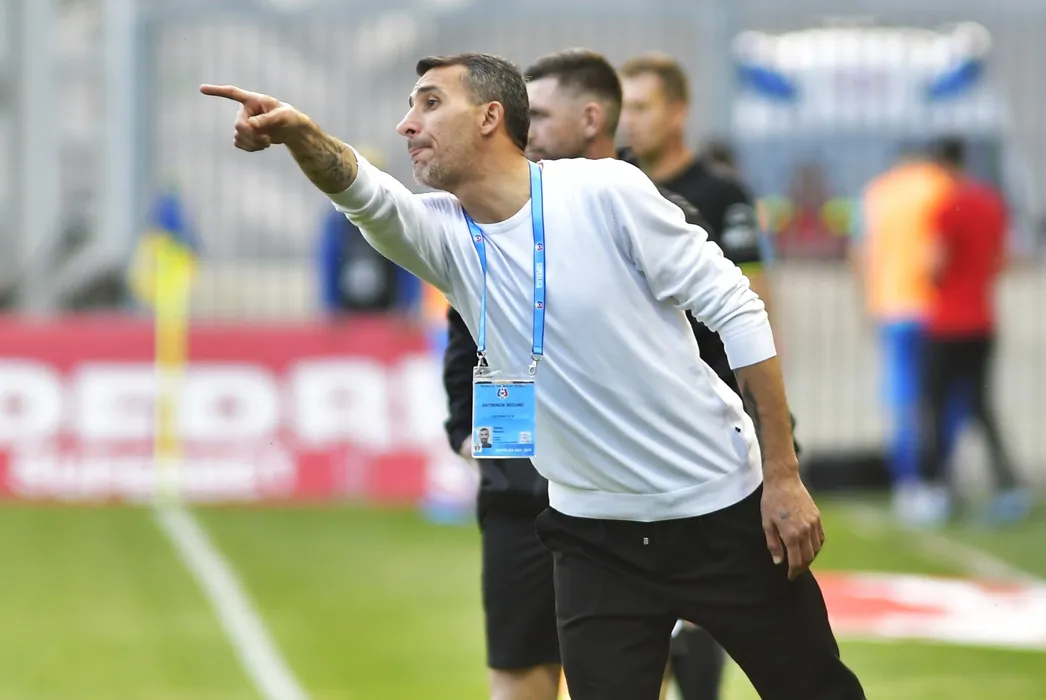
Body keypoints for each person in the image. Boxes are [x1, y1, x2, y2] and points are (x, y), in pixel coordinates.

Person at [201, 51, 865, 700]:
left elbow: (740, 309)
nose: (407, 124)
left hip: (719, 510)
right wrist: (298, 133)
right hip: (594, 538)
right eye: (409, 107)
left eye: (430, 103)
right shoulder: (440, 235)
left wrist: (783, 474)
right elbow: (360, 188)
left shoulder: (605, 191)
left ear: (490, 117)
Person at [443, 49, 789, 700]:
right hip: (521, 489)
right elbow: (467, 336)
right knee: (518, 672)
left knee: (656, 670)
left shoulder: (651, 207)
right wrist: (469, 433)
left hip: (649, 498)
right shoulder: (487, 214)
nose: (524, 130)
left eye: (539, 116)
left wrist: (772, 456)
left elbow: (722, 342)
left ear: (590, 119)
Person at [618, 53, 780, 361]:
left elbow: (753, 290)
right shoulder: (614, 185)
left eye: (640, 108)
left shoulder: (723, 192)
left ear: (677, 112)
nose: (628, 121)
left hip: (706, 370)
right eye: (623, 108)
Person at [852, 146, 967, 526]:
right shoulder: (943, 186)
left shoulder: (877, 191)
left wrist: (867, 302)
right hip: (936, 308)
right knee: (944, 397)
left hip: (892, 306)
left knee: (902, 397)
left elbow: (862, 252)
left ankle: (908, 482)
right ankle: (940, 478)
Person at [919, 136, 1029, 526]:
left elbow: (935, 266)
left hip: (947, 322)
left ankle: (938, 488)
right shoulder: (991, 203)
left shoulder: (947, 207)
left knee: (935, 405)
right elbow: (1004, 259)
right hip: (982, 320)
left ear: (941, 164)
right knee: (981, 407)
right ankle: (1007, 484)